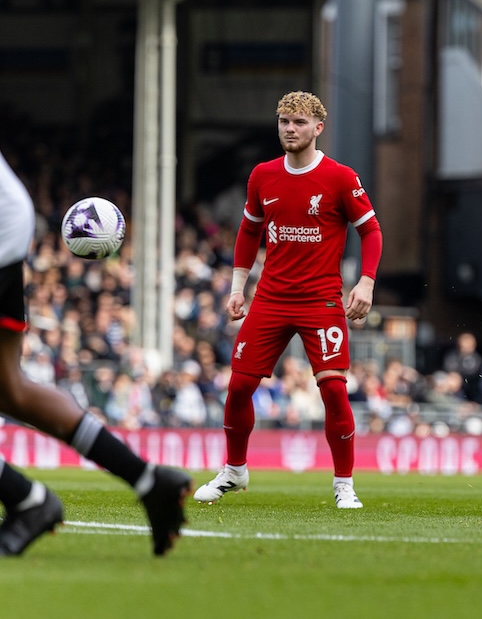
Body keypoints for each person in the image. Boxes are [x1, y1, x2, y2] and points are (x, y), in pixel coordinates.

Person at [193, 91, 382, 509]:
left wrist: (366, 282)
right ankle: (234, 470)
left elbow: (371, 231)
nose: (290, 129)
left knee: (333, 392)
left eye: (298, 122)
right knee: (239, 387)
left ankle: (344, 484)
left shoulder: (340, 177)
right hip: (272, 299)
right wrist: (237, 287)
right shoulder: (263, 175)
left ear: (318, 128)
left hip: (321, 301)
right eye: (284, 122)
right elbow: (248, 232)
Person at [0, 149, 191, 556]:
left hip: (2, 224)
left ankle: (25, 500)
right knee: (8, 388)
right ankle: (148, 481)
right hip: (8, 216)